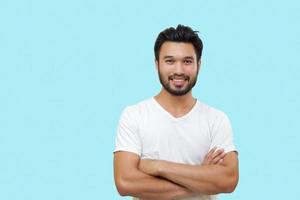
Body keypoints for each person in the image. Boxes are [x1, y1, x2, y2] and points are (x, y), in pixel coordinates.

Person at [113, 24, 239, 200]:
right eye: (170, 61)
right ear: (157, 64)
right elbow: (126, 183)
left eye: (187, 61)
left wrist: (158, 167)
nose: (179, 70)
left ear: (199, 65)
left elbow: (228, 180)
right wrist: (202, 177)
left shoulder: (216, 119)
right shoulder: (134, 115)